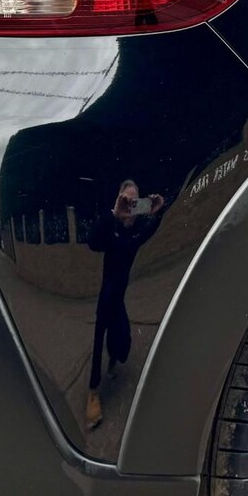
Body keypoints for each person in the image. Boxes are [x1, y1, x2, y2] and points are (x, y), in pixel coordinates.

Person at [85, 179, 164, 429]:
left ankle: (113, 359)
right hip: (106, 296)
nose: (130, 206)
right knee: (99, 339)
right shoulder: (111, 228)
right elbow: (92, 241)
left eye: (134, 202)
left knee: (124, 343)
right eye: (126, 201)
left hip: (119, 298)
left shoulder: (137, 231)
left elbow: (152, 230)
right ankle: (93, 392)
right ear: (119, 200)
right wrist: (114, 215)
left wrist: (157, 211)